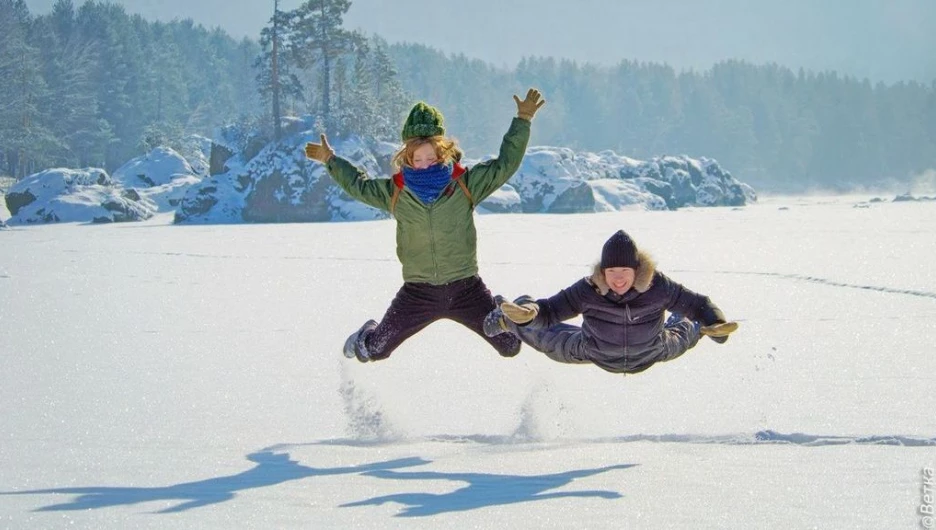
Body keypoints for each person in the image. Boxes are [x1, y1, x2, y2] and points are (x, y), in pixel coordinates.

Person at [304, 89, 546, 363]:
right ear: (407, 158)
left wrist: (522, 119)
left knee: (510, 345)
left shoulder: (465, 185)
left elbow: (505, 165)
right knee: (375, 350)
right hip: (418, 293)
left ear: (443, 153)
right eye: (417, 159)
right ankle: (364, 336)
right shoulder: (396, 192)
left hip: (466, 289)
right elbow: (359, 185)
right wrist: (330, 160)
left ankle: (508, 309)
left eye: (430, 158)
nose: (423, 165)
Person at [483, 229, 738, 375]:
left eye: (624, 272)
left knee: (689, 326)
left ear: (636, 270)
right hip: (592, 349)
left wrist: (714, 323)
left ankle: (705, 329)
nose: (618, 279)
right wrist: (530, 314)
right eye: (611, 272)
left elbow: (697, 304)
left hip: (653, 349)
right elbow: (551, 311)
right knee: (543, 334)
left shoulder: (658, 286)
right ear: (602, 271)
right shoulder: (588, 289)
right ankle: (509, 319)